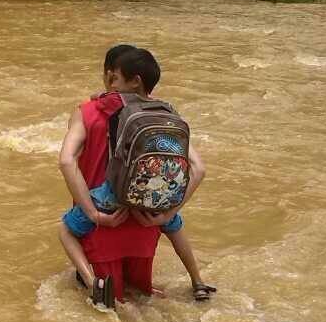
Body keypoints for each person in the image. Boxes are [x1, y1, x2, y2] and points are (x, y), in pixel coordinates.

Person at [58, 47, 212, 308]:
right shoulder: (166, 115)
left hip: (104, 220)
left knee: (106, 302)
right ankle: (198, 282)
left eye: (112, 75)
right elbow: (198, 169)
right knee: (141, 299)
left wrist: (94, 215)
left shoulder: (88, 111)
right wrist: (166, 213)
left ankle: (92, 282)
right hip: (149, 218)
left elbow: (66, 160)